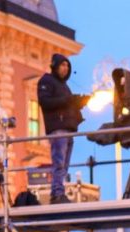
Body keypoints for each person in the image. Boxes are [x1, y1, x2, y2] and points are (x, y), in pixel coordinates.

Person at [37, 55, 89, 205]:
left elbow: (66, 104)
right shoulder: (47, 81)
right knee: (59, 163)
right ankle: (57, 194)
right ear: (55, 66)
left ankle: (59, 191)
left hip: (68, 128)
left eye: (67, 65)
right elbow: (45, 101)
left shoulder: (63, 86)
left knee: (64, 165)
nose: (65, 68)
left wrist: (79, 102)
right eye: (62, 65)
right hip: (58, 128)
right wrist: (69, 100)